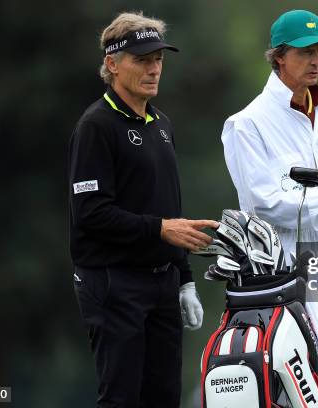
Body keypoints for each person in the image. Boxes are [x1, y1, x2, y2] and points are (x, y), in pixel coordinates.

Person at [221, 9, 318, 407]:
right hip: (292, 269)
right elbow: (263, 204)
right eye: (305, 51)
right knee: (311, 380)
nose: (316, 59)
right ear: (279, 57)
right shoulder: (247, 124)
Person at [69, 11, 218, 407]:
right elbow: (91, 213)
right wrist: (159, 230)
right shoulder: (96, 127)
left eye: (159, 59)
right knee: (122, 398)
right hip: (113, 283)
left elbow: (170, 209)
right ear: (113, 64)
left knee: (164, 397)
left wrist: (184, 277)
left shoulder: (161, 123)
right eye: (142, 59)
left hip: (162, 283)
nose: (154, 69)